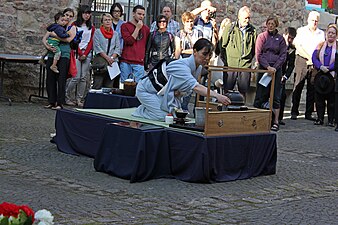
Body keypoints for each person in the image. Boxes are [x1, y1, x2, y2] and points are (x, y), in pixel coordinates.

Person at [132, 38, 231, 121]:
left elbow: (186, 88)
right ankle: (141, 111)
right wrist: (218, 96)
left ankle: (150, 107)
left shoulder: (199, 68)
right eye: (204, 54)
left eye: (210, 55)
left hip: (161, 93)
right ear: (195, 51)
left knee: (176, 116)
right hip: (145, 91)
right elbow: (196, 87)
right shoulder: (181, 66)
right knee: (164, 117)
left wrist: (179, 92)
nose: (207, 58)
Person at [254, 16, 287, 132]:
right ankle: (257, 120)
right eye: (269, 23)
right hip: (264, 69)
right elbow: (259, 53)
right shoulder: (262, 37)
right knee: (261, 95)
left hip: (276, 70)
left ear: (276, 25)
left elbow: (283, 55)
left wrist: (275, 67)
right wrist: (267, 67)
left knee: (276, 96)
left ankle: (276, 121)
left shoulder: (281, 39)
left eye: (273, 24)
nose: (271, 26)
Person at [291, 11, 325, 121]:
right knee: (298, 86)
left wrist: (314, 60)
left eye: (316, 21)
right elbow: (298, 46)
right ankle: (294, 111)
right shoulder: (301, 31)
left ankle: (308, 113)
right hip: (302, 60)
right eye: (312, 20)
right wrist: (308, 57)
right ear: (308, 20)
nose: (314, 22)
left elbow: (321, 48)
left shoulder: (321, 33)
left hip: (314, 62)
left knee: (312, 88)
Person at [43, 8, 76, 110]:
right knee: (50, 78)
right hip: (52, 53)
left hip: (64, 54)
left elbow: (69, 39)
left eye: (70, 16)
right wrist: (47, 46)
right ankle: (51, 101)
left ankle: (59, 103)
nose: (68, 17)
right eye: (66, 15)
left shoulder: (72, 27)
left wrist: (54, 35)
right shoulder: (56, 25)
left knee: (61, 79)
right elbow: (44, 38)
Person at [220, 6, 256, 99]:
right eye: (245, 18)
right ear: (239, 17)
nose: (247, 20)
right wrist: (226, 60)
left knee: (243, 91)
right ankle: (225, 110)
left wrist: (248, 59)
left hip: (245, 65)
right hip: (230, 64)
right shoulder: (230, 28)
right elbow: (222, 45)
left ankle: (241, 111)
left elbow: (254, 48)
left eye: (248, 18)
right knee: (227, 89)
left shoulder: (252, 31)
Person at [65, 5, 95, 107]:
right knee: (75, 77)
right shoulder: (74, 25)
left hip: (87, 53)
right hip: (76, 52)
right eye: (85, 13)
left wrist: (85, 53)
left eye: (89, 13)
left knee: (83, 77)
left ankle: (79, 99)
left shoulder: (91, 27)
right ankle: (67, 96)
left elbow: (91, 41)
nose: (87, 15)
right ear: (81, 14)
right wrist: (80, 53)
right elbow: (73, 40)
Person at [175, 11, 203, 110]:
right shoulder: (179, 33)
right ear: (184, 22)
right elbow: (178, 49)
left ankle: (184, 108)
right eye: (188, 21)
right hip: (183, 62)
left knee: (190, 87)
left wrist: (185, 50)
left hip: (194, 62)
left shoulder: (198, 32)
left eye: (191, 21)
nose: (190, 23)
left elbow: (198, 50)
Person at [311, 23, 337, 127]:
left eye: (333, 33)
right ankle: (320, 118)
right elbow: (314, 57)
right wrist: (320, 66)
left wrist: (329, 68)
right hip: (320, 75)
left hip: (332, 76)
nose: (331, 35)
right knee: (319, 99)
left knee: (331, 101)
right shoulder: (320, 45)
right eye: (329, 32)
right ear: (326, 33)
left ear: (336, 35)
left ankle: (331, 120)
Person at [120, 5, 150, 83]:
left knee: (138, 86)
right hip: (126, 61)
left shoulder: (146, 29)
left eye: (143, 15)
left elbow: (147, 45)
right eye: (139, 14)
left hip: (139, 62)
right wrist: (137, 28)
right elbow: (129, 41)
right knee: (125, 85)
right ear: (133, 14)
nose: (141, 16)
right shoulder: (125, 26)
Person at [92, 13, 120, 89]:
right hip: (101, 62)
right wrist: (107, 58)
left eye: (109, 20)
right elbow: (97, 46)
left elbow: (117, 48)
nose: (108, 22)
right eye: (105, 20)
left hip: (112, 63)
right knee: (97, 84)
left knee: (109, 86)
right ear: (102, 22)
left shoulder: (115, 34)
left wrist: (112, 58)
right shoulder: (97, 32)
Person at [278, 27, 297, 125]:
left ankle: (279, 118)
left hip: (282, 75)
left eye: (292, 39)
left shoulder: (292, 49)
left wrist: (285, 76)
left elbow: (291, 65)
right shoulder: (277, 44)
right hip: (273, 72)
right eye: (289, 37)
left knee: (282, 96)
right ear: (284, 35)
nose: (290, 40)